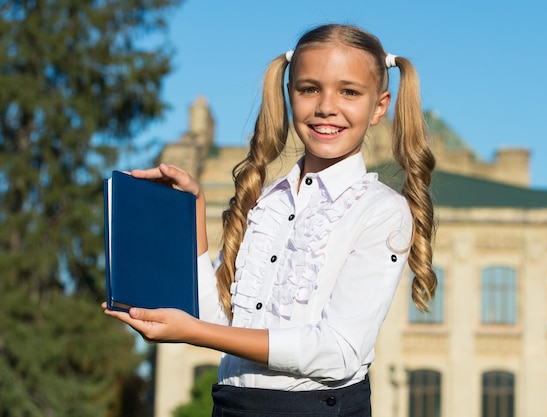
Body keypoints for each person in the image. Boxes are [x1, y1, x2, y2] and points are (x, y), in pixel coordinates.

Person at [104, 23, 436, 416]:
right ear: (289, 93)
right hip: (231, 405)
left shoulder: (380, 211)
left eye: (349, 91)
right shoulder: (268, 201)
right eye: (309, 88)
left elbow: (339, 353)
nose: (326, 106)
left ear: (379, 106)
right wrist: (193, 208)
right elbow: (220, 320)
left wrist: (197, 334)